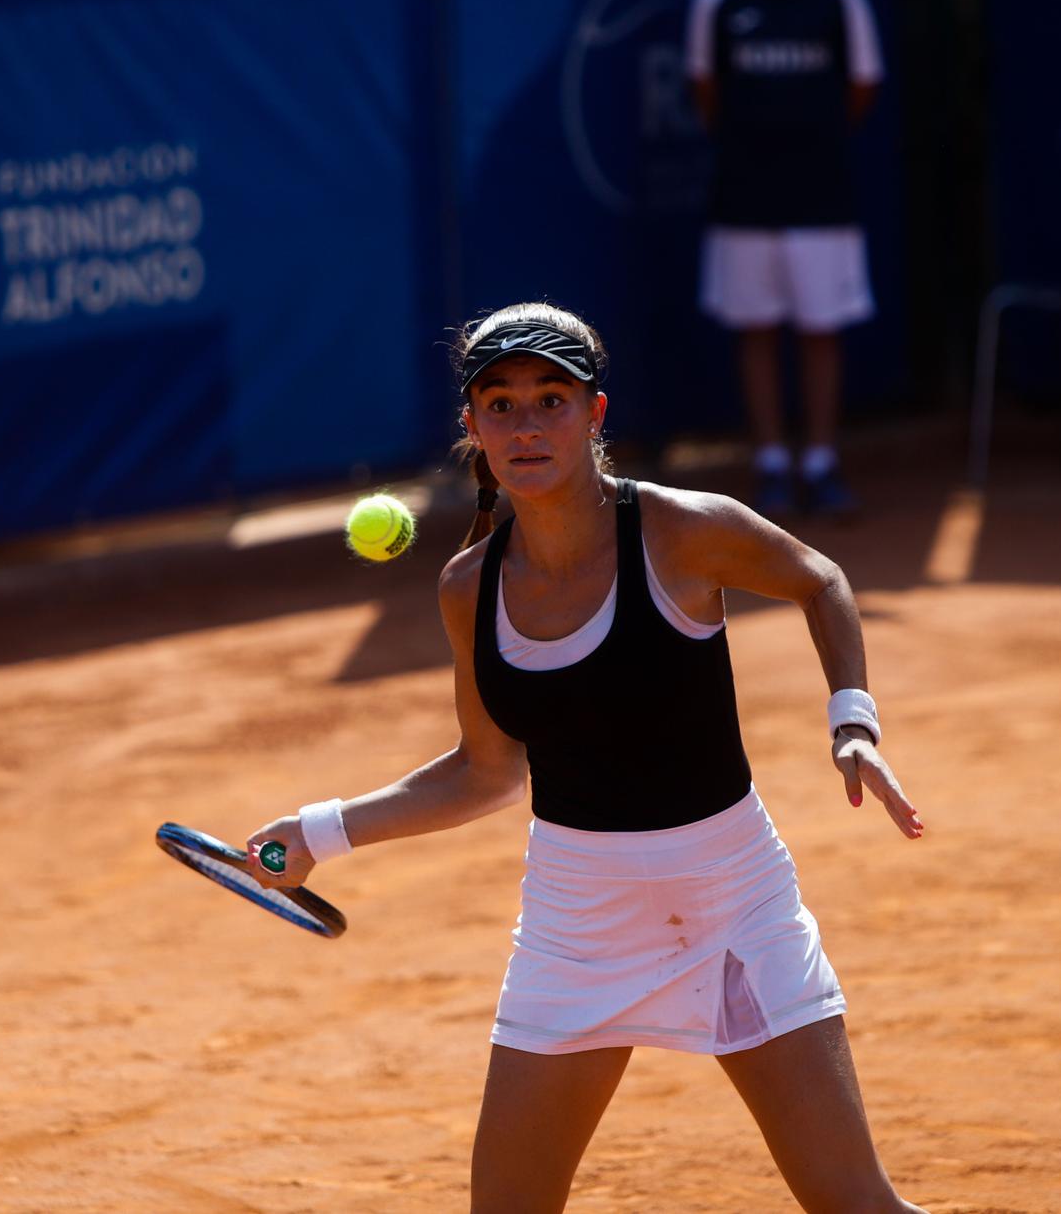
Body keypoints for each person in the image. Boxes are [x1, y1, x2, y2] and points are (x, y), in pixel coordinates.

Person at [244, 303, 929, 1212]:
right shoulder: (468, 588)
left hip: (731, 902)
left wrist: (853, 722)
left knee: (854, 1204)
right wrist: (319, 832)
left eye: (551, 400)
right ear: (472, 425)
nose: (525, 426)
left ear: (594, 413)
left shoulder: (682, 529)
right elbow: (487, 770)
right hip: (576, 923)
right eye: (500, 405)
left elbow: (820, 579)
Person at [685, 0, 885, 517]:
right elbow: (705, 91)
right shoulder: (716, 1)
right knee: (757, 328)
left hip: (823, 195)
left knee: (822, 330)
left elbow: (861, 87)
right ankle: (771, 462)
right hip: (743, 197)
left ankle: (820, 462)